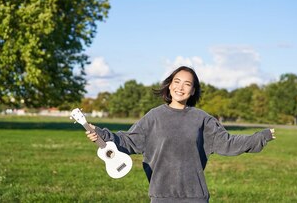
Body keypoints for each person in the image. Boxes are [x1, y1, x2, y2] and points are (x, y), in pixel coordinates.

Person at [85, 66, 275, 202]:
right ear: (169, 85)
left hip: (195, 196)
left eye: (187, 84)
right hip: (161, 196)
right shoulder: (154, 117)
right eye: (177, 82)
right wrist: (102, 135)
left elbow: (228, 143)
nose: (180, 87)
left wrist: (261, 136)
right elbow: (128, 140)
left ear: (193, 90)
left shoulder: (202, 119)